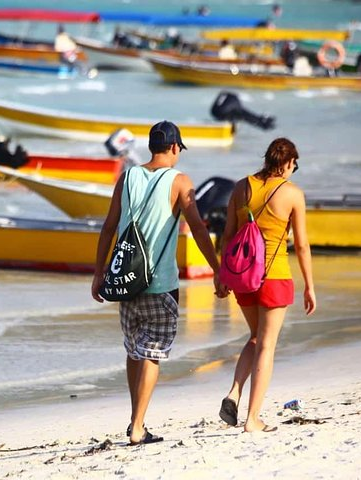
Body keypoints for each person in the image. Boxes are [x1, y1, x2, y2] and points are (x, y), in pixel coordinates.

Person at [92, 121, 227, 445]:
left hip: (125, 280)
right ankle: (138, 426)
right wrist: (217, 268)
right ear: (175, 147)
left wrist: (99, 273)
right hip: (160, 282)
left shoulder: (127, 177)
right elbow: (197, 228)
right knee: (151, 351)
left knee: (134, 349)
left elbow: (109, 227)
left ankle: (134, 417)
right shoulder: (180, 182)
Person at [218, 137, 316, 433]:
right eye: (293, 166)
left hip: (243, 276)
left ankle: (234, 392)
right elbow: (301, 245)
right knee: (267, 346)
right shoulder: (292, 194)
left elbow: (228, 236)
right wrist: (310, 286)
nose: (292, 171)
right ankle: (252, 419)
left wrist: (220, 275)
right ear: (287, 162)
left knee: (256, 337)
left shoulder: (241, 187)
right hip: (274, 276)